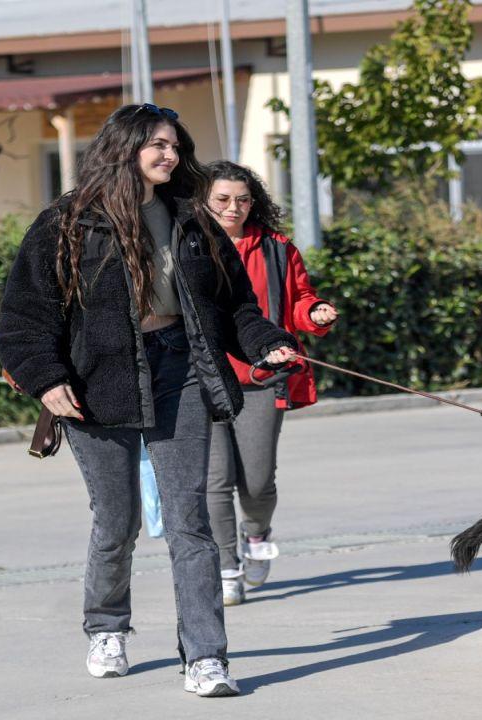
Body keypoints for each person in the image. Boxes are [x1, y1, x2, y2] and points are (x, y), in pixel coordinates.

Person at [0, 104, 297, 697]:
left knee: (191, 521)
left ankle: (206, 657)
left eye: (175, 146)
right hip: (92, 385)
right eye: (157, 144)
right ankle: (107, 628)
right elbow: (23, 319)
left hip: (178, 369)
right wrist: (47, 379)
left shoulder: (192, 218)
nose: (171, 155)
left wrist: (269, 344)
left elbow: (234, 304)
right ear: (123, 147)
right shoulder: (67, 223)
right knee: (118, 520)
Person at [202, 160, 338, 605]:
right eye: (222, 199)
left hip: (261, 378)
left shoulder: (277, 248)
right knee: (215, 480)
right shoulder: (188, 243)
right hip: (201, 378)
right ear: (204, 199)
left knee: (257, 482)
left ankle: (256, 535)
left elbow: (298, 299)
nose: (232, 208)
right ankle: (225, 566)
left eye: (242, 200)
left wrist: (314, 313)